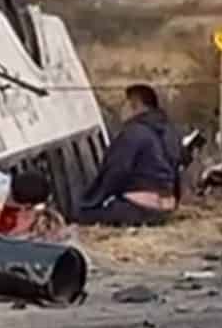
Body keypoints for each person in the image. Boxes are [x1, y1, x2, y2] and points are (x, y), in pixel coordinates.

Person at [75, 84, 182, 227]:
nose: (121, 109)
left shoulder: (133, 133)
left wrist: (90, 201)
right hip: (166, 207)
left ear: (135, 105)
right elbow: (178, 170)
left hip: (139, 209)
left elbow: (115, 171)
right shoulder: (170, 132)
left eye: (124, 103)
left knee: (81, 216)